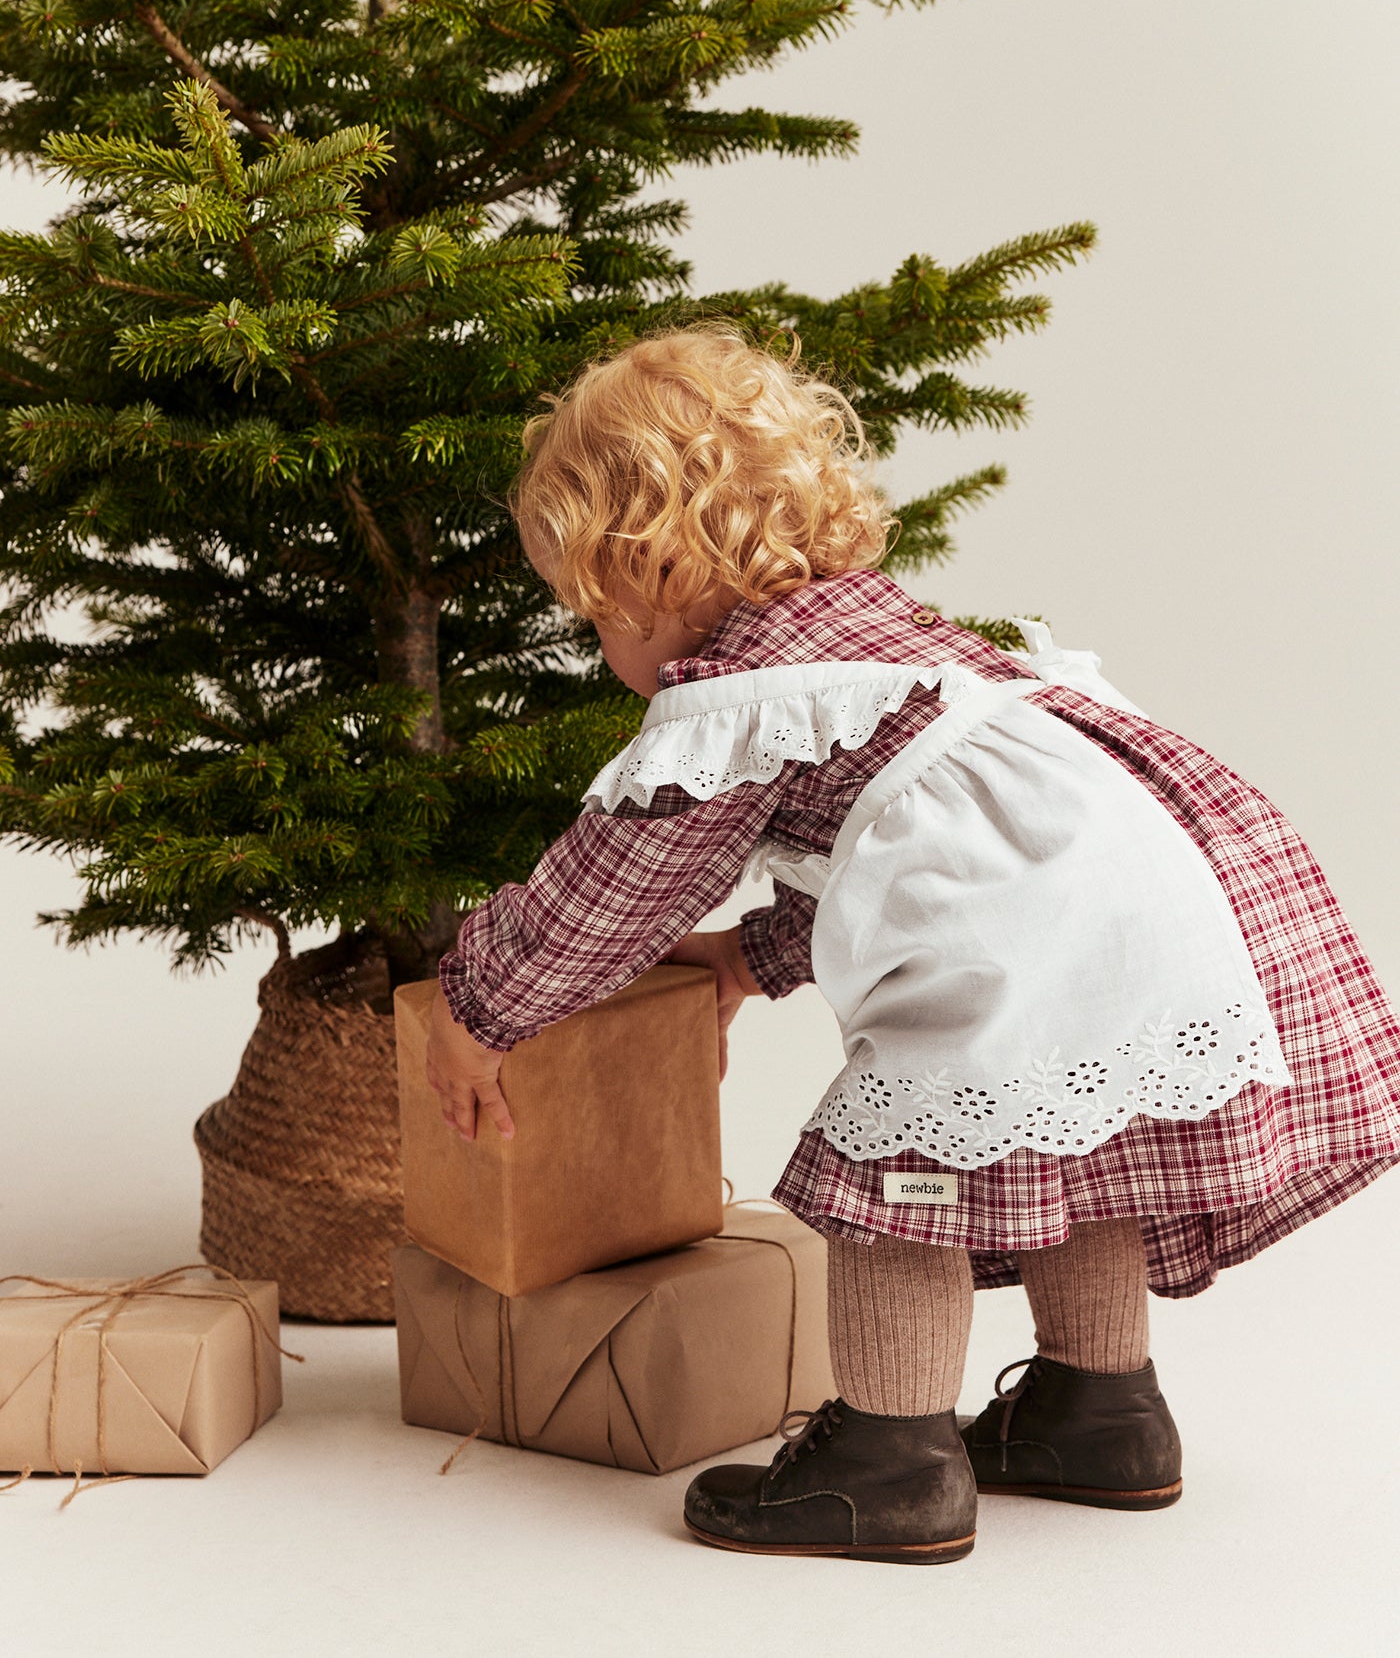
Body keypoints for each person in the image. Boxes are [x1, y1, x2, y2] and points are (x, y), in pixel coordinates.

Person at [425, 325, 1400, 1565]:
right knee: (1072, 1130)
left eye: (595, 618)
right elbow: (908, 861)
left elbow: (612, 888)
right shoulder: (888, 639)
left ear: (652, 570)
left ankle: (889, 1460)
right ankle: (1098, 1415)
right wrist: (747, 957)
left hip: (1035, 939)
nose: (602, 651)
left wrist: (478, 1008)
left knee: (899, 1183)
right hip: (1149, 911)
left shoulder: (747, 689)